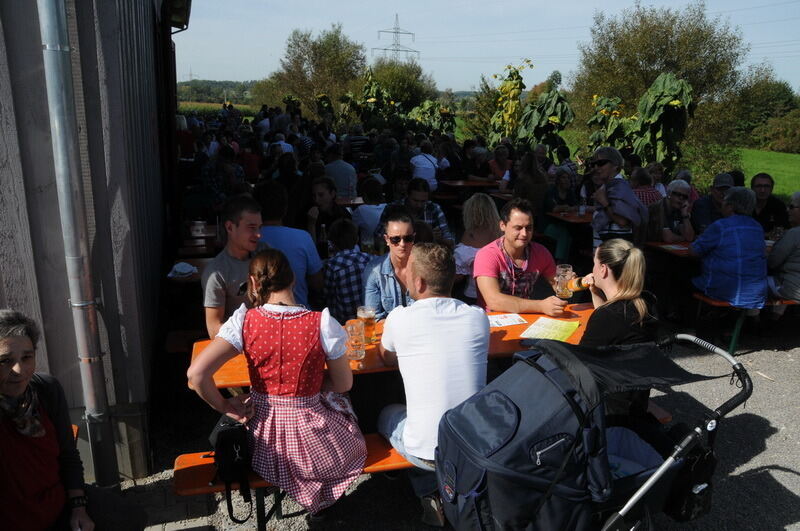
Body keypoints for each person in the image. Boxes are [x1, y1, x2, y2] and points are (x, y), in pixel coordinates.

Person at [187, 250, 366, 520]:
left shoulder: (244, 320)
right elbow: (343, 383)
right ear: (293, 279)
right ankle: (324, 501)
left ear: (254, 283)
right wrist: (312, 384)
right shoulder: (322, 323)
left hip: (263, 446)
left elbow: (196, 375)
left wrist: (226, 406)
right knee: (348, 421)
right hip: (315, 443)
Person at [378, 243, 489, 527]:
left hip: (425, 451)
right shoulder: (477, 318)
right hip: (473, 448)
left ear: (419, 282)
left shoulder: (399, 318)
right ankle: (448, 491)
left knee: (387, 414)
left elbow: (386, 358)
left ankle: (428, 488)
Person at [0, 310, 94, 531]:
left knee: (126, 514)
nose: (19, 370)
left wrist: (79, 508)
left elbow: (68, 456)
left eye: (26, 357)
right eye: (5, 361)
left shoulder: (46, 390)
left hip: (59, 507)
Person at [579, 240, 667, 453]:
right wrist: (595, 293)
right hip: (635, 400)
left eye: (594, 263)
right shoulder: (645, 303)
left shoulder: (610, 317)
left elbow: (579, 363)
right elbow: (613, 322)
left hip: (611, 411)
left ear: (603, 269)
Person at [474, 198, 564, 315]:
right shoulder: (487, 255)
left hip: (525, 318)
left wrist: (580, 282)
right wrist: (541, 306)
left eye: (529, 228)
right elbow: (494, 301)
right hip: (493, 322)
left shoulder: (540, 252)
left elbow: (559, 286)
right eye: (518, 228)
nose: (524, 234)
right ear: (502, 225)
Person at [690, 187, 767, 309]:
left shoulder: (721, 226)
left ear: (730, 206)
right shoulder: (757, 227)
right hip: (755, 293)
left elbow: (694, 252)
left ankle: (684, 321)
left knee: (682, 278)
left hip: (726, 291)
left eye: (724, 201)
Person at [201, 195, 264, 338]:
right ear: (230, 227)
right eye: (251, 228)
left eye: (259, 227)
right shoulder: (216, 273)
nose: (258, 234)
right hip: (239, 347)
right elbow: (214, 329)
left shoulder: (265, 253)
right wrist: (257, 333)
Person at [254, 180, 323, 307]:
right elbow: (317, 283)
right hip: (299, 313)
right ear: (285, 208)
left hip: (260, 318)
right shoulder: (303, 237)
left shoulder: (249, 239)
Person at [589, 146, 648, 247]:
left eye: (601, 163)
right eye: (593, 164)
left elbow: (623, 221)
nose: (596, 168)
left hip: (615, 250)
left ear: (615, 165)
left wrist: (604, 202)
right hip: (606, 247)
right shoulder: (609, 186)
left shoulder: (619, 187)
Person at [363, 208, 416, 319]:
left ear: (414, 237)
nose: (402, 244)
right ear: (386, 239)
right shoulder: (374, 271)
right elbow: (374, 317)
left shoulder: (425, 267)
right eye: (396, 239)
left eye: (408, 238)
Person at [375, 178, 454, 244]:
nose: (419, 205)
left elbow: (450, 241)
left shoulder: (434, 209)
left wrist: (437, 239)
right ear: (407, 195)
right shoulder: (392, 209)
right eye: (415, 201)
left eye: (423, 201)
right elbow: (378, 237)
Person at [454, 193, 501, 303]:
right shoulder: (502, 233)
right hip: (500, 293)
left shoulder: (469, 233)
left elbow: (458, 276)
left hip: (473, 294)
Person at [325, 219, 373, 324]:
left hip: (344, 320)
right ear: (357, 239)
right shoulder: (369, 259)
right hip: (368, 315)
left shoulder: (332, 265)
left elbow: (327, 294)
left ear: (332, 242)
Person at [768, 192, 800, 311]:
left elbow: (772, 262)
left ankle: (753, 320)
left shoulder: (794, 233)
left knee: (753, 284)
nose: (787, 210)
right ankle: (774, 320)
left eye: (791, 207)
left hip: (793, 289)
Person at [307, 177, 352, 258]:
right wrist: (311, 224)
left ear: (332, 194)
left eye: (321, 195)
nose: (316, 200)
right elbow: (310, 249)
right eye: (314, 196)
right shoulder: (310, 214)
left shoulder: (342, 215)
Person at [542, 167, 579, 263]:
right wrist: (566, 207)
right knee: (564, 234)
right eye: (564, 178)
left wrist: (565, 207)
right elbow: (553, 208)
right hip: (547, 224)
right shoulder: (551, 191)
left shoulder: (570, 192)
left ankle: (565, 262)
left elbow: (575, 206)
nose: (567, 181)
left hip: (564, 223)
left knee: (571, 235)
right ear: (558, 180)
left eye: (568, 178)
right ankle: (560, 262)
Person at [351, 178, 386, 249]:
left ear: (364, 195)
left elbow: (352, 234)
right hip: (384, 249)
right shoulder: (388, 207)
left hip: (368, 249)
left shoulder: (361, 210)